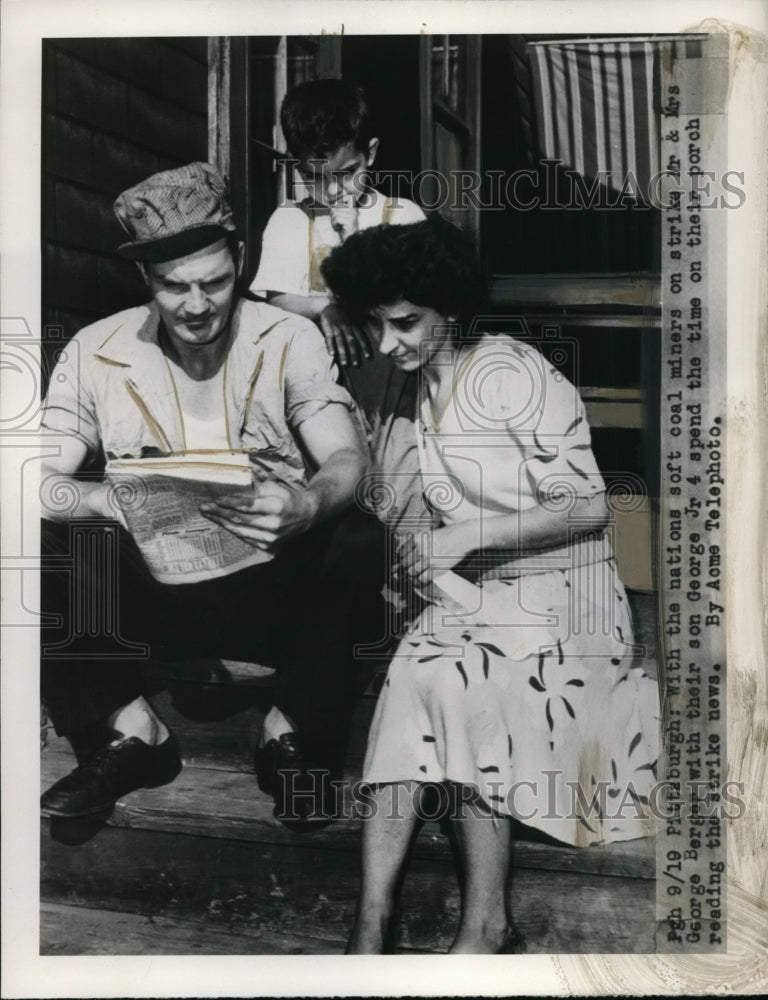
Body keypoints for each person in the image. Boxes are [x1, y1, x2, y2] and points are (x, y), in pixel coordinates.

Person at [322, 219, 659, 954]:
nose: (389, 344)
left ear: (448, 304)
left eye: (405, 323)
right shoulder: (421, 390)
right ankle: (370, 922)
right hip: (485, 596)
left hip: (569, 601)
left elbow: (588, 502)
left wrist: (467, 537)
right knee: (412, 674)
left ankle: (486, 924)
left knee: (458, 675)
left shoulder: (511, 373)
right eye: (376, 325)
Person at [39, 162, 368, 825]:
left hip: (266, 590)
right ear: (145, 281)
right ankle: (128, 732)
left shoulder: (288, 337)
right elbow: (29, 483)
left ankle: (291, 733)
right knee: (49, 536)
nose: (197, 305)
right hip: (153, 601)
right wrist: (103, 501)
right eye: (175, 287)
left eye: (215, 283)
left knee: (358, 537)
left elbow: (345, 456)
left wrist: (307, 504)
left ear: (240, 262)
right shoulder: (94, 350)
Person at [250, 78, 425, 370]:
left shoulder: (402, 216)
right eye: (315, 177)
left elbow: (413, 299)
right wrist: (324, 307)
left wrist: (355, 241)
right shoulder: (290, 219)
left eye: (347, 173)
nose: (333, 191)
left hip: (394, 375)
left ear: (370, 153)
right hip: (313, 374)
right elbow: (277, 298)